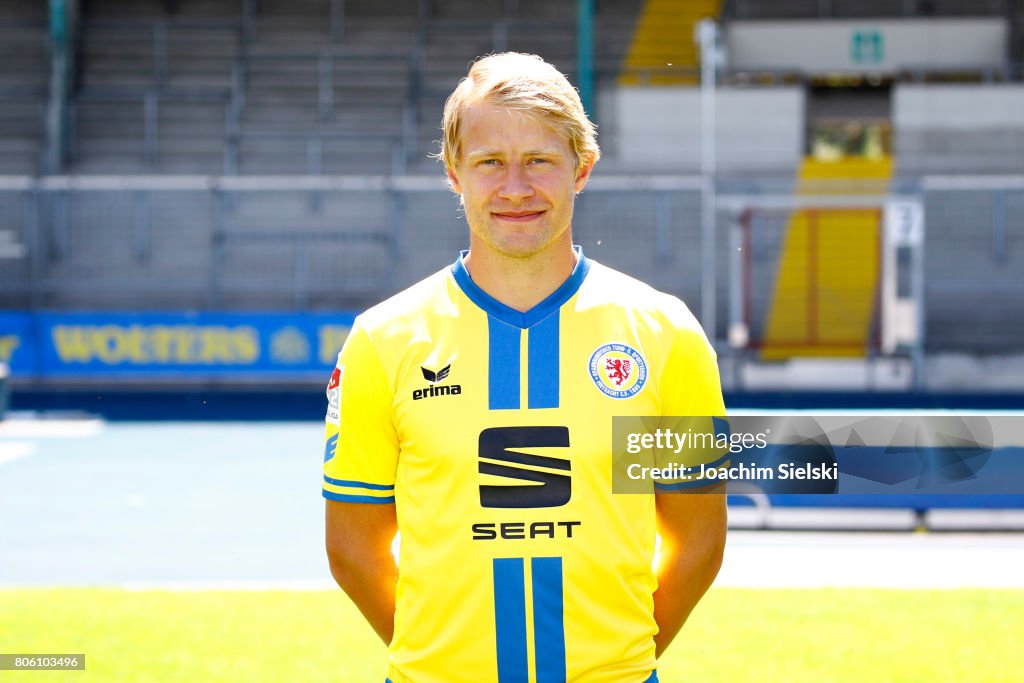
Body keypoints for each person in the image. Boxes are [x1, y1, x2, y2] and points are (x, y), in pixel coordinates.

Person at [324, 52, 727, 683]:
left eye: (540, 160)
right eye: (489, 163)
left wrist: (618, 663)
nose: (516, 187)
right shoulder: (383, 339)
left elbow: (698, 538)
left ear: (582, 169)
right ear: (455, 174)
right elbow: (353, 549)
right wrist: (440, 664)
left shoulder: (665, 333)